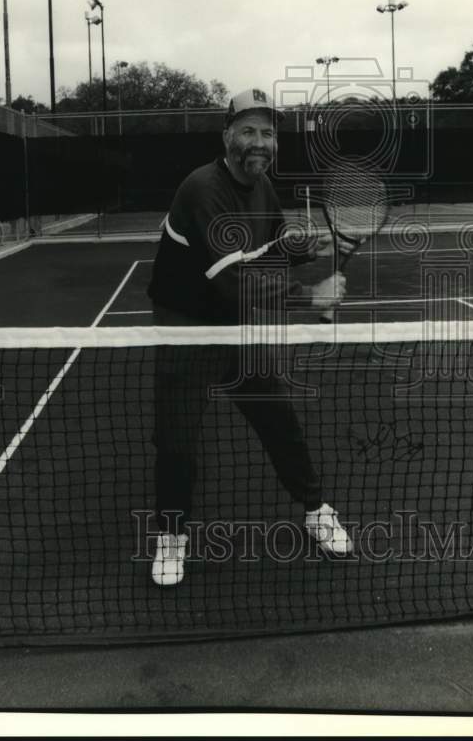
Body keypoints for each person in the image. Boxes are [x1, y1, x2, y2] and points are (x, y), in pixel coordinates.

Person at [146, 88, 354, 586]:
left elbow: (273, 246)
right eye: (247, 130)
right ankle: (172, 535)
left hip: (234, 326)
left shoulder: (261, 186)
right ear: (226, 136)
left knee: (279, 422)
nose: (259, 141)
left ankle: (315, 510)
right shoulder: (203, 189)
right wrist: (312, 297)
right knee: (177, 442)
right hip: (187, 329)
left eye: (266, 133)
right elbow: (234, 279)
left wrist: (306, 246)